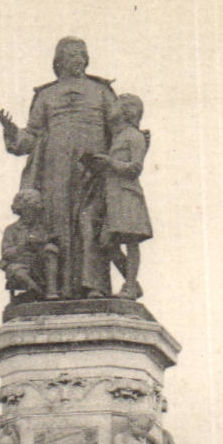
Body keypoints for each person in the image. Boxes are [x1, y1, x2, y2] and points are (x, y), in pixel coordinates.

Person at [0, 38, 117, 299]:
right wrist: (10, 131)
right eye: (72, 54)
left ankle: (95, 287)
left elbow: (118, 129)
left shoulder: (101, 91)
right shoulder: (45, 95)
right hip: (55, 170)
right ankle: (57, 288)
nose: (78, 59)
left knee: (91, 223)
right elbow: (30, 137)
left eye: (82, 54)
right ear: (58, 60)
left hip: (92, 167)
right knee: (57, 224)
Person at [79, 93, 152, 300]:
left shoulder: (133, 136)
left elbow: (136, 168)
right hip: (113, 197)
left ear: (127, 111)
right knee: (107, 243)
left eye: (117, 104)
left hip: (127, 195)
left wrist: (110, 163)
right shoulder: (118, 136)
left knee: (130, 241)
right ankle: (133, 284)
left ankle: (129, 287)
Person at [0, 189, 59, 303]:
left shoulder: (42, 228)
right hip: (21, 265)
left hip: (38, 264)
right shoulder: (11, 229)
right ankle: (38, 293)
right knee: (17, 272)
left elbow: (46, 242)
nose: (36, 212)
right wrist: (23, 246)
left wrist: (42, 242)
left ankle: (51, 292)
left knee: (51, 249)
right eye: (31, 209)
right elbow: (6, 252)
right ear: (23, 210)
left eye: (36, 210)